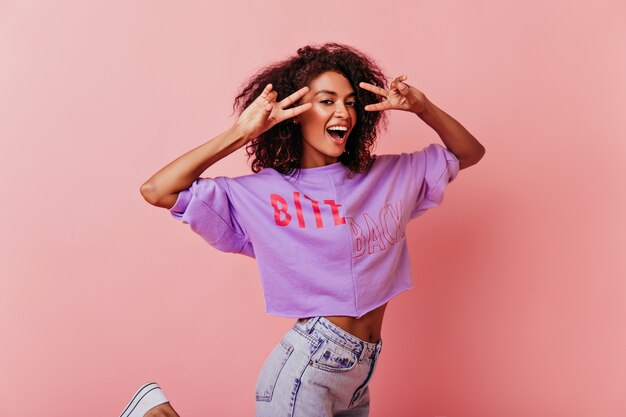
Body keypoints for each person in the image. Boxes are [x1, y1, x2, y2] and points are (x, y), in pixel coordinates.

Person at [122, 42, 485, 417]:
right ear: (296, 114)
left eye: (349, 101)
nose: (343, 111)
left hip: (359, 372)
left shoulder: (390, 175)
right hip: (309, 366)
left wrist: (423, 108)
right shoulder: (264, 192)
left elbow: (469, 153)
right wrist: (242, 132)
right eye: (327, 101)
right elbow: (157, 190)